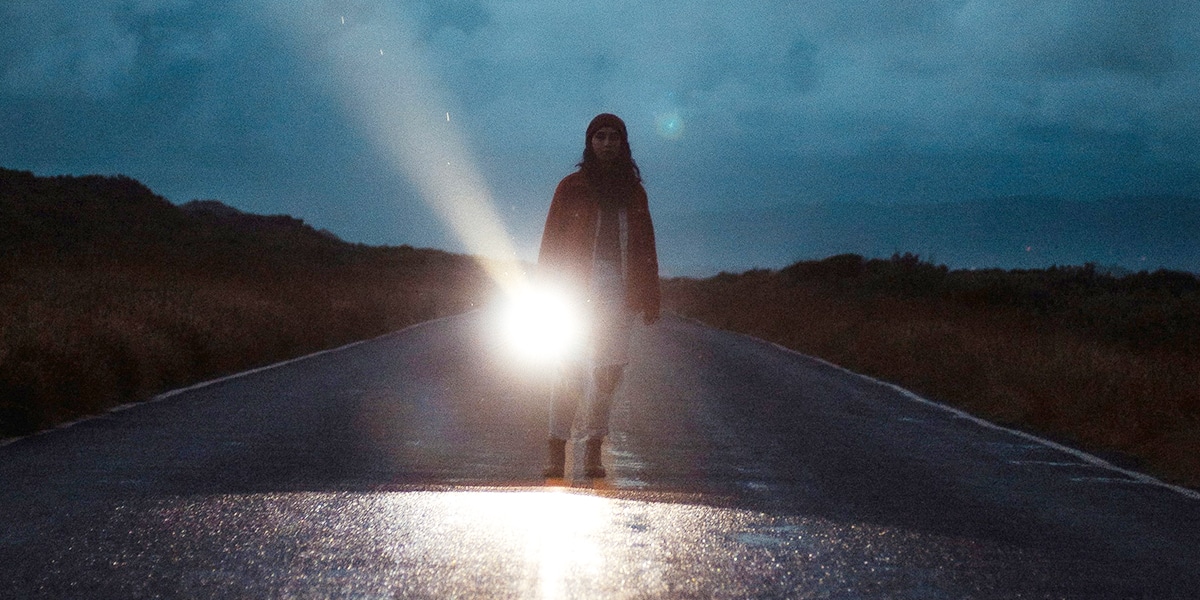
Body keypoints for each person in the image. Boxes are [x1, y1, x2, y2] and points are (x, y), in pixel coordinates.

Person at [537, 113, 660, 479]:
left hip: (618, 293)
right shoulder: (570, 187)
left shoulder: (634, 192)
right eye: (600, 137)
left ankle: (593, 448)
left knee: (608, 372)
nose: (607, 143)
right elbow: (551, 240)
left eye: (613, 137)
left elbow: (645, 245)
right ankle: (557, 447)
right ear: (590, 143)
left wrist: (650, 295)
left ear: (623, 143)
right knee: (569, 370)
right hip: (573, 290)